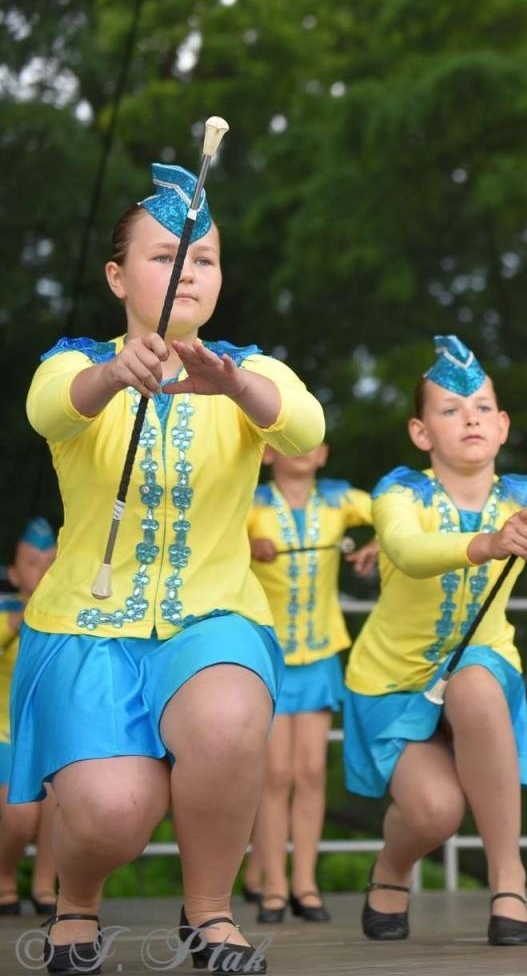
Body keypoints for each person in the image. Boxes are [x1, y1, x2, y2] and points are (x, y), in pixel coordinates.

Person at [18, 162, 325, 973]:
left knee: (227, 720)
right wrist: (112, 375)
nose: (188, 270)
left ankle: (209, 914)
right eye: (165, 255)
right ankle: (77, 901)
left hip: (212, 618)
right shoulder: (72, 363)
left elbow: (304, 428)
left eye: (204, 258)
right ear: (117, 276)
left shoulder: (251, 370)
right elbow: (48, 410)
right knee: (116, 812)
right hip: (85, 628)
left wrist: (238, 390)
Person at [343, 336, 527, 946]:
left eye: (483, 408)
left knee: (476, 681)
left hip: (479, 673)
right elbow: (407, 552)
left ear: (504, 425)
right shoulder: (398, 492)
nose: (471, 419)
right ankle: (392, 867)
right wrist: (488, 543)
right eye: (451, 409)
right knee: (435, 812)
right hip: (392, 682)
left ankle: (508, 876)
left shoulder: (524, 496)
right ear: (420, 432)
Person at [240, 445, 378, 923]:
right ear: (265, 452)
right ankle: (274, 886)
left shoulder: (340, 500)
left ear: (323, 453)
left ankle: (305, 883)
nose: (300, 449)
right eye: (288, 440)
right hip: (268, 655)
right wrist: (245, 548)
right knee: (275, 774)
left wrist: (379, 544)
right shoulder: (250, 501)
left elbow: (398, 513)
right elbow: (210, 539)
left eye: (310, 440)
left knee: (312, 772)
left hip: (319, 654)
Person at [0, 519, 60, 918]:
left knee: (59, 806)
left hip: (50, 732)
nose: (41, 571)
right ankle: (4, 877)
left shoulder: (67, 619)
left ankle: (44, 884)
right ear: (13, 572)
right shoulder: (5, 614)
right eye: (32, 563)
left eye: (50, 562)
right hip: (5, 730)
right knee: (20, 815)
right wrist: (13, 627)